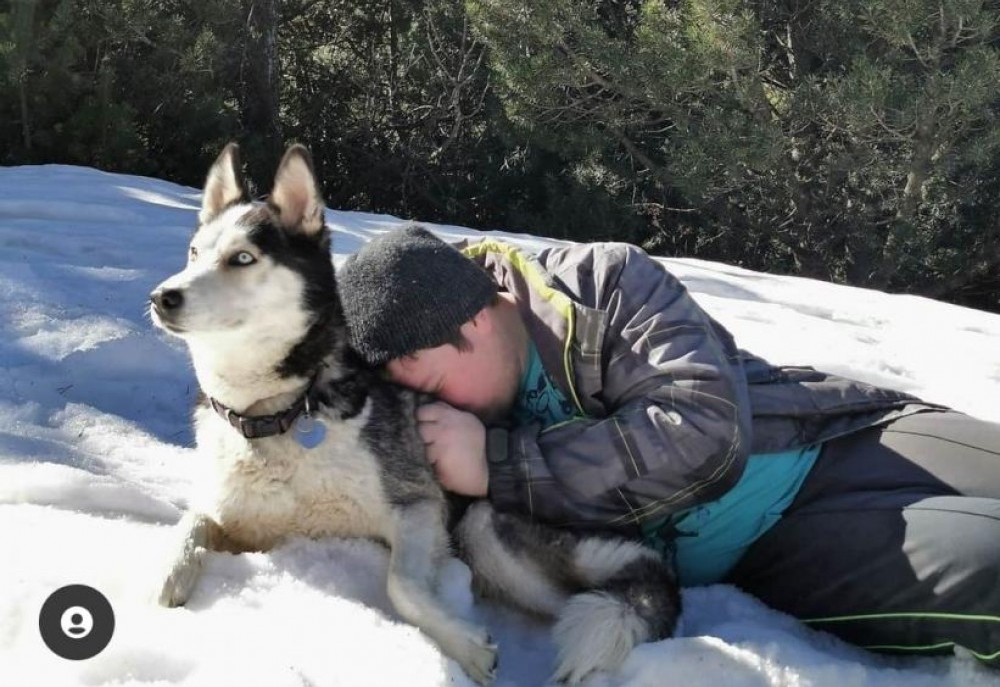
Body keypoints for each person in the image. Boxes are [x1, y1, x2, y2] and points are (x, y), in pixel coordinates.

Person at [339, 223, 1000, 667]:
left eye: (427, 382)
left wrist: (501, 465)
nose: (429, 408)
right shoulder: (431, 419)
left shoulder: (600, 285)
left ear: (476, 319)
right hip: (784, 541)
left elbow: (702, 429)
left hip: (835, 426)